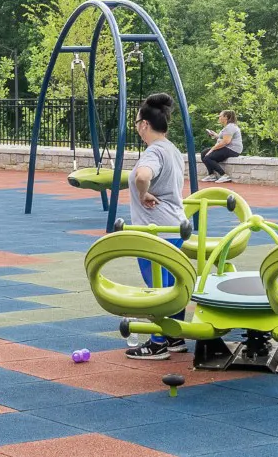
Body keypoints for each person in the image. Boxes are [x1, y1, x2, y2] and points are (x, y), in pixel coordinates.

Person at [126, 93, 189, 360]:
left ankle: (157, 342)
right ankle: (175, 336)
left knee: (158, 288)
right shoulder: (173, 150)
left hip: (155, 230)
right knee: (173, 284)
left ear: (144, 124)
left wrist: (143, 193)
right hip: (175, 225)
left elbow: (143, 175)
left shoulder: (153, 152)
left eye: (136, 124)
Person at [201, 110, 242, 183]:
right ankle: (212, 175)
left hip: (232, 150)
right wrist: (215, 135)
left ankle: (224, 175)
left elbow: (226, 142)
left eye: (220, 116)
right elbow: (223, 138)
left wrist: (212, 149)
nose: (219, 118)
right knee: (203, 153)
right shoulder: (227, 127)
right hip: (227, 147)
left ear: (226, 117)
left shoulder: (230, 127)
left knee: (207, 157)